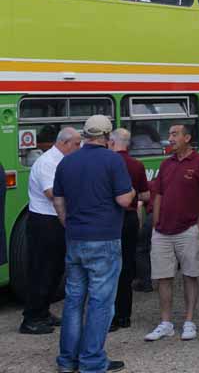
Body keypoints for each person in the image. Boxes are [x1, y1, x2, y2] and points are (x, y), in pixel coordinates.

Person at [53, 115, 135, 373]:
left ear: (85, 134)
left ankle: (67, 361)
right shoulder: (113, 160)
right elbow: (123, 200)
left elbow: (58, 201)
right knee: (101, 302)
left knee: (74, 300)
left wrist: (69, 224)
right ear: (108, 137)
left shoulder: (67, 161)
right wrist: (132, 192)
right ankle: (92, 361)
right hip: (104, 239)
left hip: (75, 239)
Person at [145, 123, 199, 342]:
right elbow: (158, 194)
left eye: (175, 134)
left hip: (187, 229)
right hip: (162, 231)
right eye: (169, 134)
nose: (170, 138)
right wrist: (155, 223)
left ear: (187, 138)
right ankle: (165, 323)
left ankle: (189, 321)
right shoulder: (166, 164)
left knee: (190, 275)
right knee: (162, 277)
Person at [19, 127, 81, 335]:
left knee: (54, 270)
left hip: (54, 221)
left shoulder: (62, 161)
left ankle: (43, 312)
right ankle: (31, 318)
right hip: (44, 222)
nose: (78, 148)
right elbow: (52, 193)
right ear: (64, 143)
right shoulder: (47, 162)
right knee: (41, 271)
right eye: (76, 144)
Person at [108, 128, 150, 332]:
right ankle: (124, 316)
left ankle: (109, 315)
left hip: (110, 219)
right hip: (130, 218)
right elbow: (145, 195)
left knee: (108, 268)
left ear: (112, 142)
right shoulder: (136, 165)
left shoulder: (106, 163)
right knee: (126, 267)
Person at [133, 176, 158, 293]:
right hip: (169, 216)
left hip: (153, 216)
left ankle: (145, 283)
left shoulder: (148, 185)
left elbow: (138, 206)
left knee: (142, 249)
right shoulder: (163, 185)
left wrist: (139, 228)